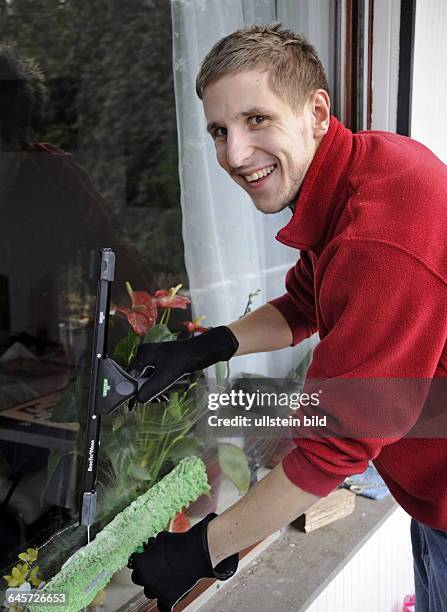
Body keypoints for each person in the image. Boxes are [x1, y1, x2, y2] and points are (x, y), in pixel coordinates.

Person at [128, 24, 447, 612]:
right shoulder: (362, 169)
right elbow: (306, 304)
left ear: (316, 111)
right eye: (220, 131)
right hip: (431, 503)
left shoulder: (377, 232)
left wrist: (198, 551)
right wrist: (207, 347)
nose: (233, 154)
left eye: (257, 120)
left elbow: (337, 446)